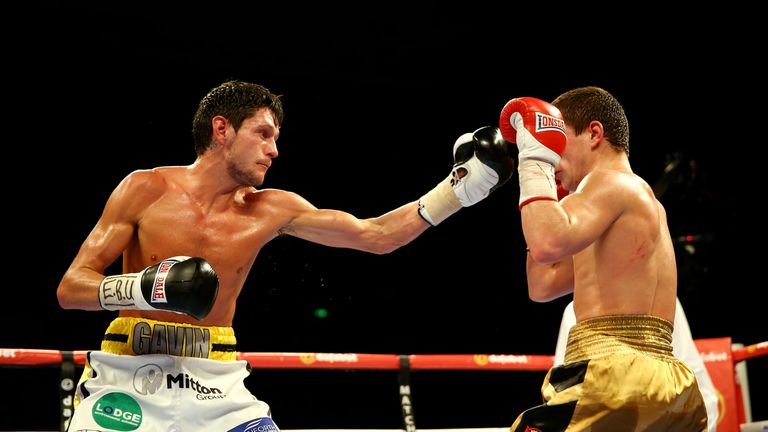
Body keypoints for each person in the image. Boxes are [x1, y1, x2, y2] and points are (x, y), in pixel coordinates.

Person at [57, 80, 515, 431]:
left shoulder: (272, 208)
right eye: (262, 134)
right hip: (128, 369)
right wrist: (145, 287)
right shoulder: (145, 189)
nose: (274, 150)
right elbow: (71, 288)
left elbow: (376, 235)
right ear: (222, 129)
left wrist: (458, 192)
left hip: (216, 381)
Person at [498, 87, 709, 431]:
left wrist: (533, 162)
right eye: (545, 142)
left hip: (612, 374)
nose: (551, 153)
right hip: (666, 384)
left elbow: (547, 243)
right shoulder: (641, 204)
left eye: (556, 140)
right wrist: (544, 195)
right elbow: (542, 283)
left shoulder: (609, 182)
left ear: (594, 133)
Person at [554, 299, 720, 432]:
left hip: (663, 419)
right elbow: (561, 395)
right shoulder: (574, 311)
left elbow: (703, 395)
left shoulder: (665, 304)